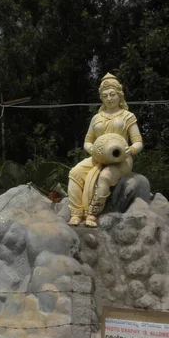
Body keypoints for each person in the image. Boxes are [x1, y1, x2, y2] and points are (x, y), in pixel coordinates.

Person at [68, 73, 143, 227]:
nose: (109, 98)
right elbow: (87, 141)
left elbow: (138, 142)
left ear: (119, 95)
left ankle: (92, 214)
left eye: (112, 95)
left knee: (105, 176)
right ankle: (76, 212)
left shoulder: (127, 116)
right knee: (75, 172)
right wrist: (93, 150)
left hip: (121, 158)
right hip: (99, 157)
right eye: (105, 95)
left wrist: (130, 150)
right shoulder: (97, 118)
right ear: (101, 98)